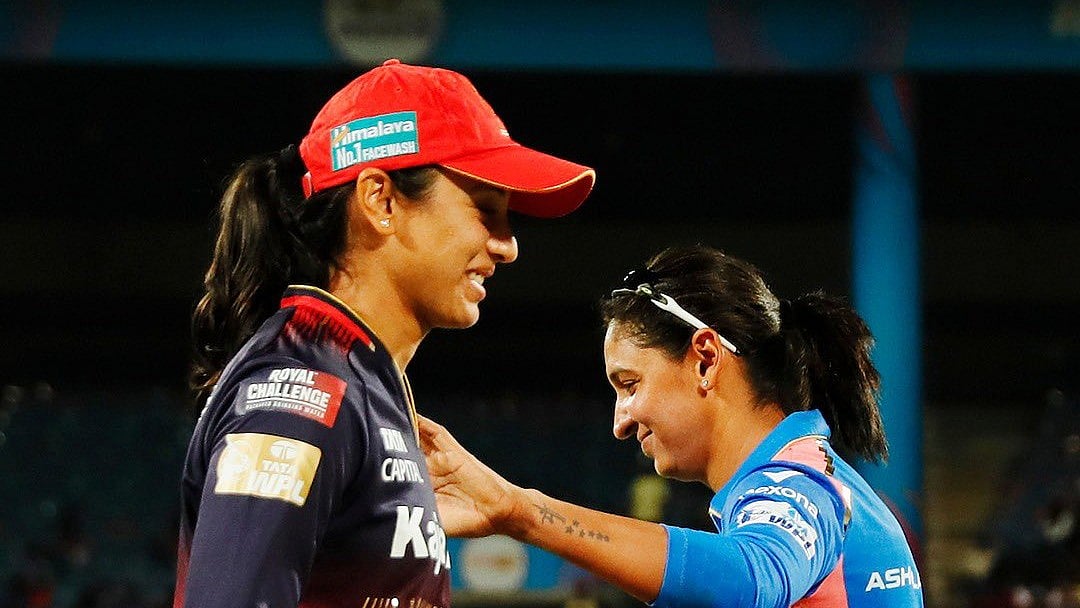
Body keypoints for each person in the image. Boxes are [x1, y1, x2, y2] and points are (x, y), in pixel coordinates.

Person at [174, 59, 595, 608]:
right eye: (485, 210)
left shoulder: (357, 383)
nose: (507, 244)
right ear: (381, 201)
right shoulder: (303, 389)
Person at [420, 245, 925, 607]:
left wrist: (521, 511)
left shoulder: (796, 483)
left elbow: (752, 578)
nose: (620, 421)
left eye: (630, 384)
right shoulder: (807, 475)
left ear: (705, 359)